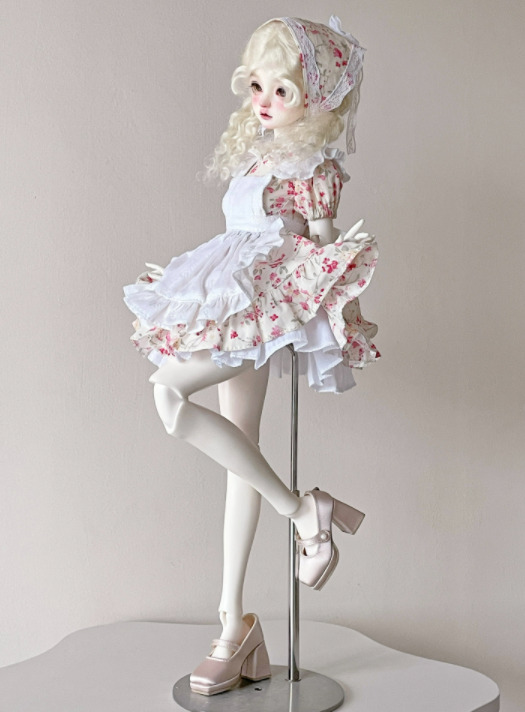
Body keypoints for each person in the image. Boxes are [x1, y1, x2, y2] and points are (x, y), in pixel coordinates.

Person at [123, 15, 379, 696]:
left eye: (282, 90)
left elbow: (323, 251)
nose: (264, 100)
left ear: (315, 99)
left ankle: (301, 513)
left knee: (169, 394)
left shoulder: (315, 171)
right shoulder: (253, 157)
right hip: (231, 296)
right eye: (258, 85)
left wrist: (331, 307)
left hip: (264, 307)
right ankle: (232, 625)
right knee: (241, 450)